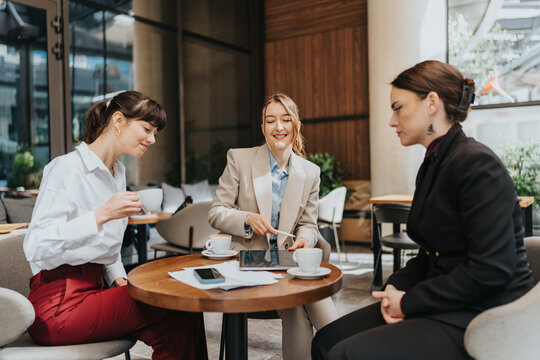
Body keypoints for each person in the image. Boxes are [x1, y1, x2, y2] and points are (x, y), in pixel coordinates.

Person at [311, 60, 534, 360]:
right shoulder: (433, 163)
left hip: (485, 312)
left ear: (431, 103)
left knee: (343, 354)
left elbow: (491, 270)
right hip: (447, 299)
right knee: (326, 340)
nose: (392, 120)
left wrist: (410, 302)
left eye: (398, 107)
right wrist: (396, 287)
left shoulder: (477, 164)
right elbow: (431, 252)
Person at [24, 91, 208, 360]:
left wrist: (120, 279)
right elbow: (35, 246)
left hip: (93, 292)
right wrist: (100, 215)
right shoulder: (66, 168)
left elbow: (106, 251)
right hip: (57, 303)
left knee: (182, 314)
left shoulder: (117, 173)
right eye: (146, 128)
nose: (152, 139)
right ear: (119, 120)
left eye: (155, 132)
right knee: (176, 307)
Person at [208, 92, 338, 360]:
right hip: (248, 262)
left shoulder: (310, 172)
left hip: (288, 261)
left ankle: (347, 350)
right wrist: (246, 218)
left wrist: (305, 240)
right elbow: (215, 212)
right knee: (296, 303)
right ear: (263, 128)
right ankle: (349, 351)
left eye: (285, 120)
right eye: (271, 121)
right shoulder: (239, 159)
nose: (279, 127)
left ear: (295, 125)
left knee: (309, 304)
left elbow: (308, 225)